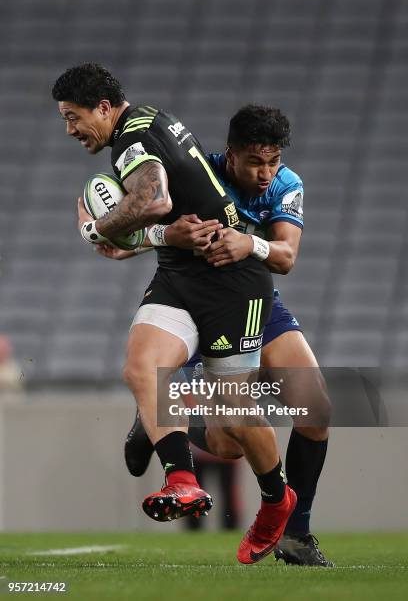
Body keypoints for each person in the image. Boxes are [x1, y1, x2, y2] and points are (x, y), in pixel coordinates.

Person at [52, 64, 296, 565]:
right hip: (180, 275)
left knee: (232, 426)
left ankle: (278, 500)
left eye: (73, 117)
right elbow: (165, 220)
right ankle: (181, 479)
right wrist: (152, 237)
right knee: (142, 367)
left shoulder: (133, 140)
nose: (70, 129)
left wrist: (97, 230)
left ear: (102, 108)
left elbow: (153, 198)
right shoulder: (145, 124)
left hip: (233, 282)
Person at [106, 105, 333, 567]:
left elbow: (285, 255)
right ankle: (161, 417)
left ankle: (297, 536)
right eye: (255, 162)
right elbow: (155, 225)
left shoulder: (287, 184)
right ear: (230, 155)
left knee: (317, 412)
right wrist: (139, 236)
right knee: (230, 440)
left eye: (273, 161)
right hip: (201, 304)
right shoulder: (200, 174)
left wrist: (250, 243)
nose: (266, 172)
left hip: (257, 303)